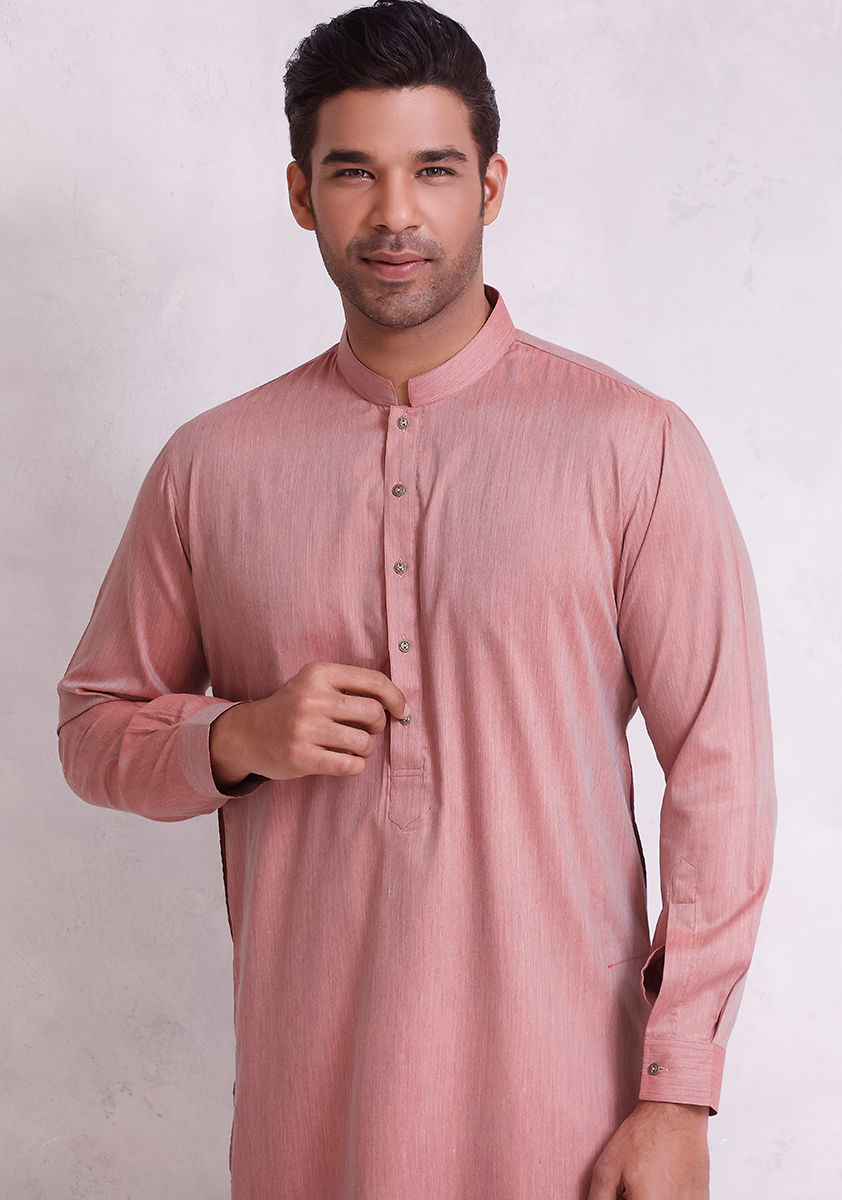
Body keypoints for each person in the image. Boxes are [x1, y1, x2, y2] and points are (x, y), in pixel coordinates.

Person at [57, 2, 776, 1197]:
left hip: (571, 1124)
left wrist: (678, 1093)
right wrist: (234, 738)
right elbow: (92, 726)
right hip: (310, 1124)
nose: (395, 214)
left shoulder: (628, 446)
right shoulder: (212, 466)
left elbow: (721, 771)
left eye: (432, 170)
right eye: (354, 172)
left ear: (488, 186)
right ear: (302, 195)